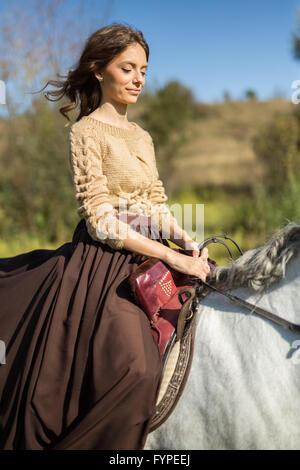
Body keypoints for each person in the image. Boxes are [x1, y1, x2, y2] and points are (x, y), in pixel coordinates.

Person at [0, 23, 210, 450]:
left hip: (152, 247)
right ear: (99, 70)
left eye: (144, 71)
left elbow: (154, 203)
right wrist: (172, 259)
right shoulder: (85, 132)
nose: (138, 79)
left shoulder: (143, 137)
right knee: (138, 369)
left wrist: (186, 240)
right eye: (128, 68)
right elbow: (99, 219)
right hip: (102, 261)